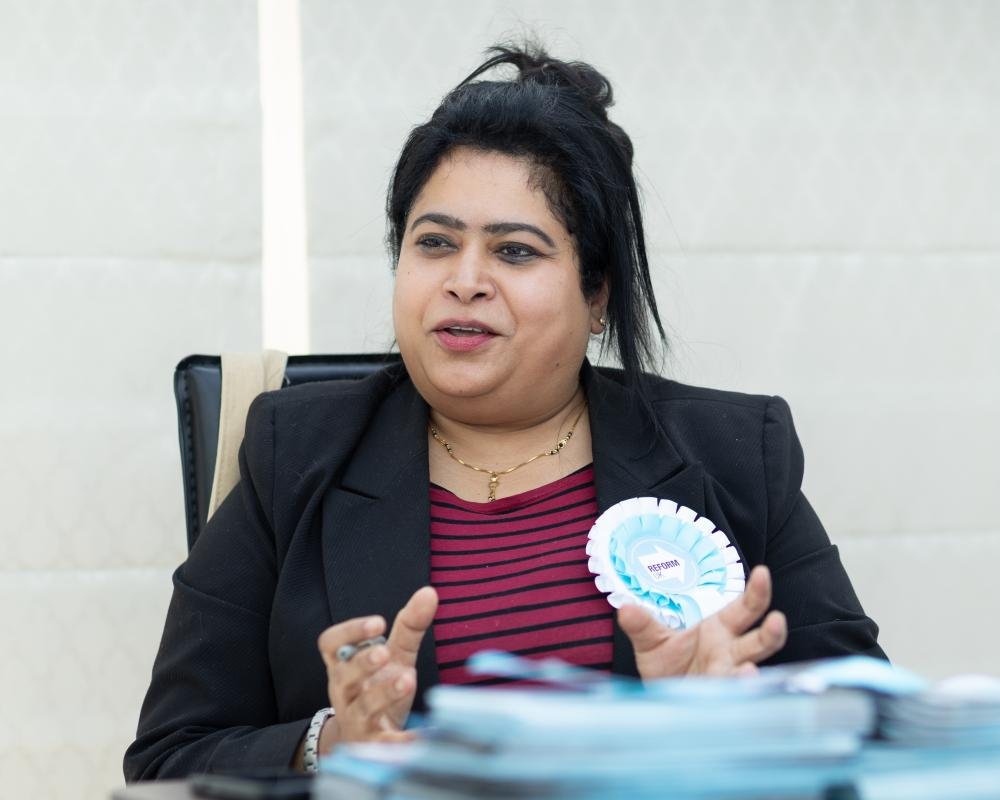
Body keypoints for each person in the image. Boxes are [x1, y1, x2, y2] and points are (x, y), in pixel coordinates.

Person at [124, 44, 883, 781]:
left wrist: (730, 727)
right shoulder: (293, 452)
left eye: (515, 252)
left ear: (596, 295)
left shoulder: (735, 454)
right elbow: (167, 760)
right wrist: (330, 743)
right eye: (434, 243)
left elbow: (876, 731)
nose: (464, 280)